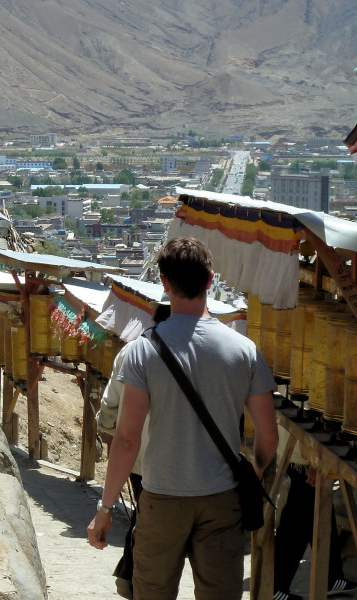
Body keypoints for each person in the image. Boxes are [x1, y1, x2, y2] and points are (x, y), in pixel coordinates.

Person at [87, 237, 279, 600]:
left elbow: (127, 440)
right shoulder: (244, 350)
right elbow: (267, 438)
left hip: (162, 498)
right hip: (222, 498)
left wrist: (105, 508)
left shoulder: (143, 351)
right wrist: (250, 475)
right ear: (210, 281)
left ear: (163, 282)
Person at [96, 301, 171, 599]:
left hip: (135, 460)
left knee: (145, 516)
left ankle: (128, 575)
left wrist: (108, 431)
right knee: (150, 522)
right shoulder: (190, 354)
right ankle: (130, 576)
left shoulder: (130, 351)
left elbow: (110, 402)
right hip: (166, 461)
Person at [273, 431, 357, 600]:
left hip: (302, 450)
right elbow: (311, 410)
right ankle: (275, 587)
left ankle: (332, 577)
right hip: (306, 455)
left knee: (318, 510)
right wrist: (315, 460)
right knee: (297, 521)